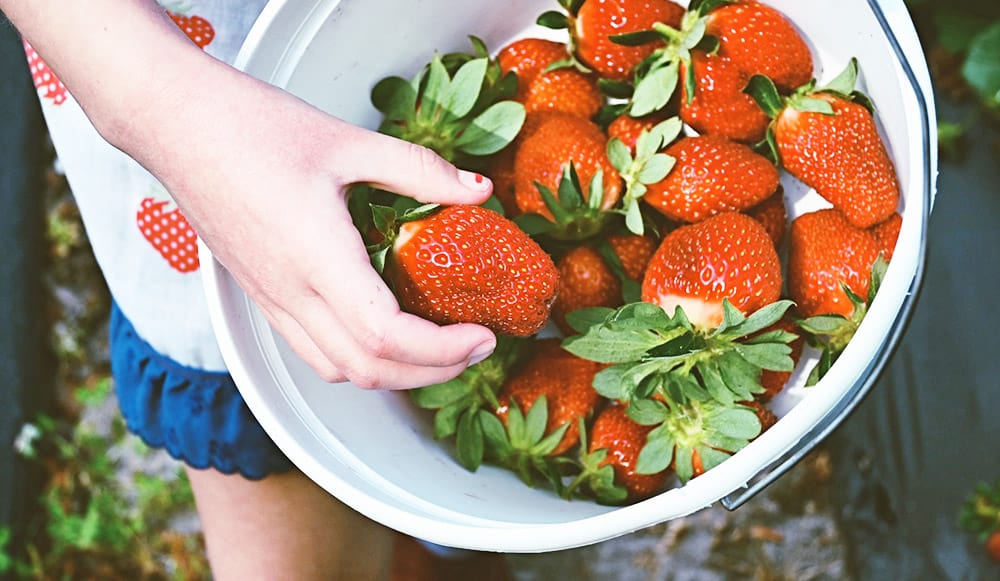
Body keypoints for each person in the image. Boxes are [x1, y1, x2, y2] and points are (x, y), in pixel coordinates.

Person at [0, 0, 504, 578]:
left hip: (446, 40)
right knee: (293, 532)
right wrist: (166, 114)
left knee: (446, 483)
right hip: (176, 80)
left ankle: (437, 546)